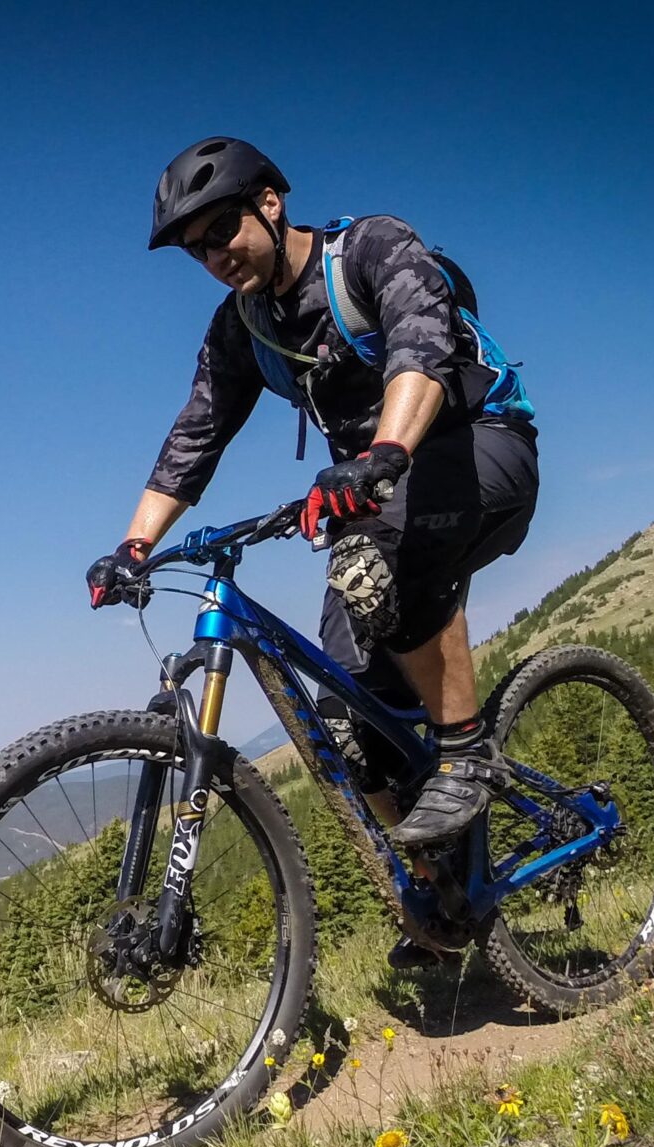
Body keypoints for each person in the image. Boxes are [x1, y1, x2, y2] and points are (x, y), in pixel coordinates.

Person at [87, 137, 539, 892]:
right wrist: (134, 545)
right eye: (197, 250)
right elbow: (194, 436)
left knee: (368, 562)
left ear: (270, 203)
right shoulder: (242, 328)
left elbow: (421, 349)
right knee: (342, 722)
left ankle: (467, 753)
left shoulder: (368, 249)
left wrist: (386, 451)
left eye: (222, 230)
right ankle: (442, 890)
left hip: (479, 450)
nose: (215, 256)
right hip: (377, 494)